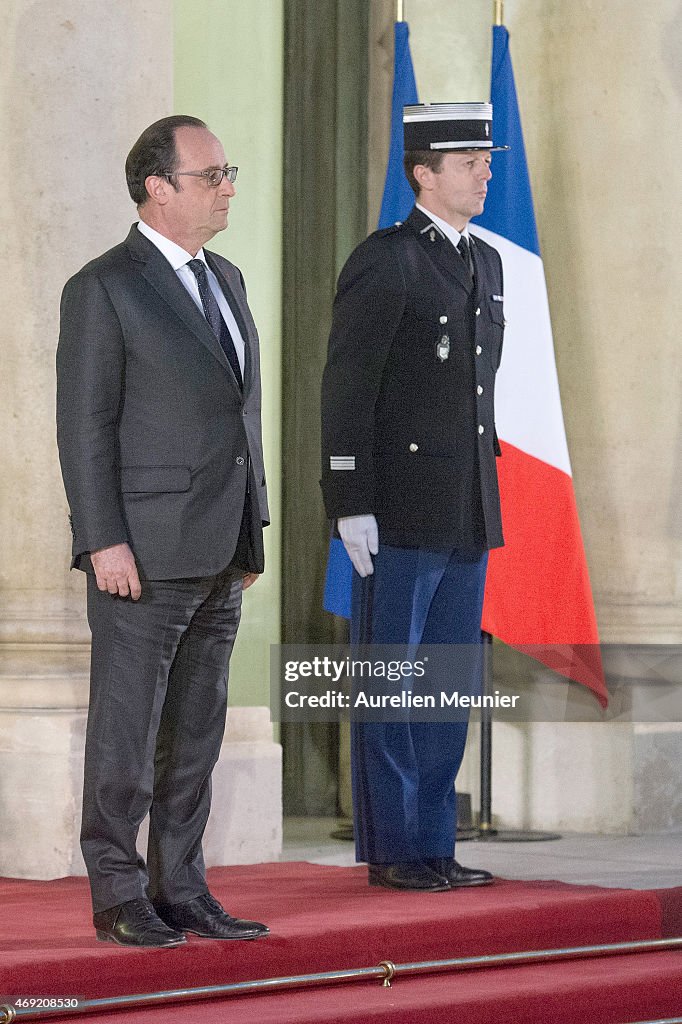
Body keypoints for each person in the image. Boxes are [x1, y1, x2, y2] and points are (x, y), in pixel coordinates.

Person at [57, 115, 270, 946]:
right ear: (157, 186)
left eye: (228, 172)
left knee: (194, 735)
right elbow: (85, 425)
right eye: (211, 174)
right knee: (126, 731)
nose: (227, 188)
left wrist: (251, 527)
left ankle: (182, 889)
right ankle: (117, 896)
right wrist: (101, 538)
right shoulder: (103, 286)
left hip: (222, 548)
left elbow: (239, 413)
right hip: (140, 551)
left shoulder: (230, 278)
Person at [321, 103, 508, 891]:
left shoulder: (485, 262)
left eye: (486, 159)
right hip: (395, 510)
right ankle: (396, 848)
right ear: (423, 173)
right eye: (468, 161)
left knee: (447, 682)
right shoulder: (386, 259)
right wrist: (348, 497)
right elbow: (347, 386)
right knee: (390, 680)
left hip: (464, 508)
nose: (484, 172)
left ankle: (435, 841)